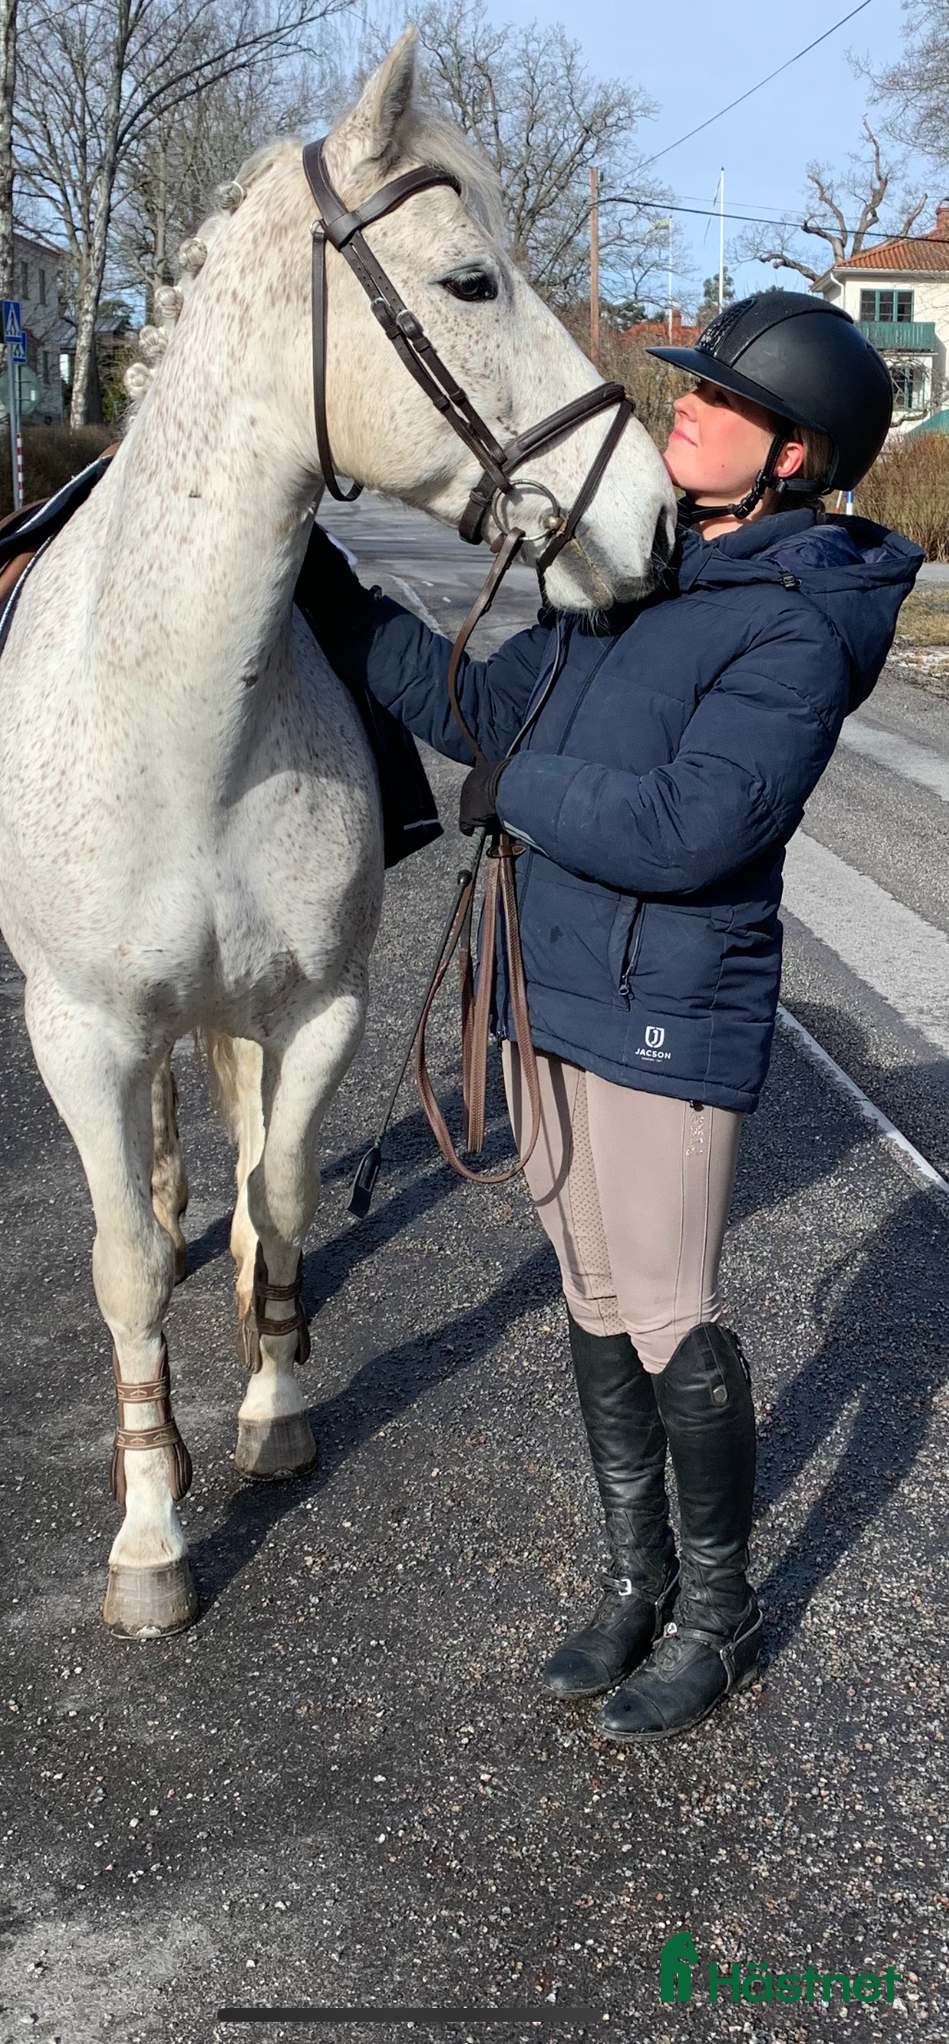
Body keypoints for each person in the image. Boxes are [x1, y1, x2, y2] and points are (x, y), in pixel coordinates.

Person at [294, 290, 921, 1739]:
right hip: (546, 988)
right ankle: (636, 1580)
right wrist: (327, 589)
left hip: (666, 1009)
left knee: (667, 1308)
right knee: (587, 1297)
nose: (679, 405)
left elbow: (694, 827)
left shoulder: (799, 622)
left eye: (718, 399)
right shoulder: (629, 579)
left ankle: (719, 1611)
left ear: (793, 457)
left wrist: (519, 797)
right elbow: (471, 708)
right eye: (687, 385)